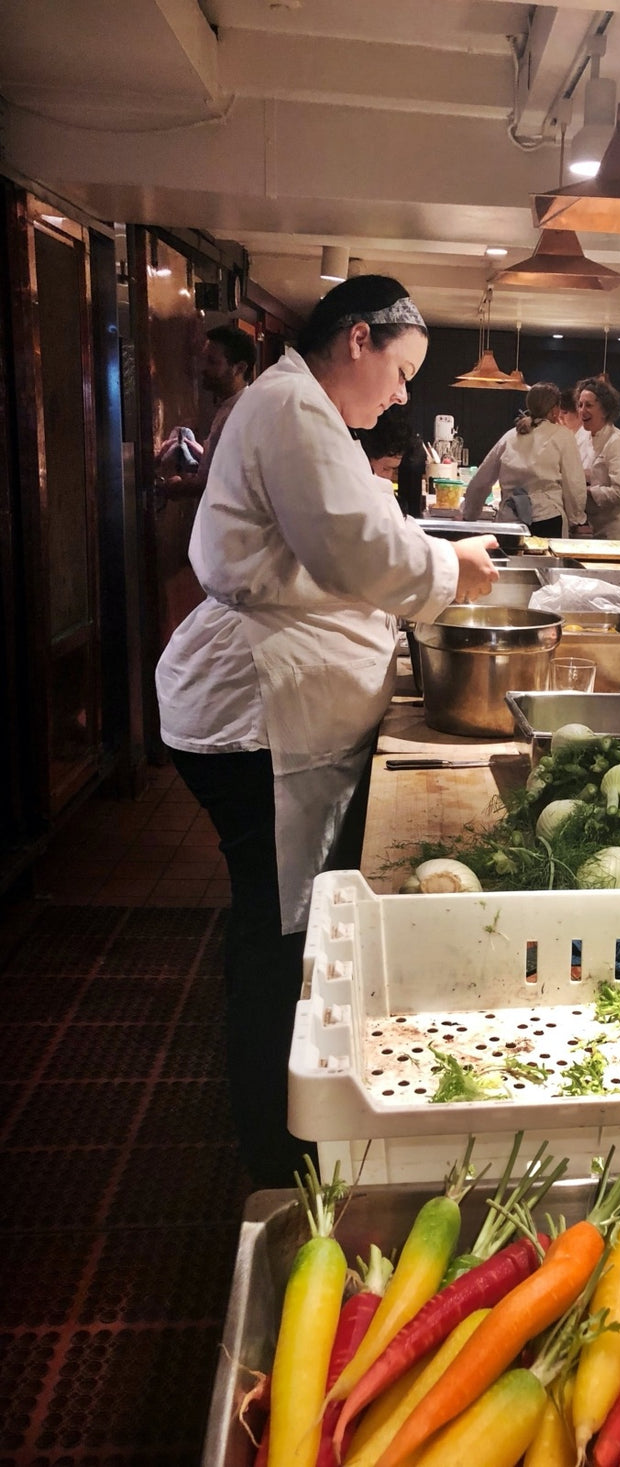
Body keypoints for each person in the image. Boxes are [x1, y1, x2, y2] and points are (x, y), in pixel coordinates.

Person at [155, 274, 498, 1186]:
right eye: (400, 370)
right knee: (273, 933)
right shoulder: (291, 409)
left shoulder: (308, 412)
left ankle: (284, 1120)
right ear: (357, 338)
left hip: (273, 707)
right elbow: (357, 546)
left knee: (281, 923)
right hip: (252, 713)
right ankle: (274, 1150)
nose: (401, 394)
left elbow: (364, 526)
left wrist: (429, 557)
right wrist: (447, 567)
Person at [460, 381, 587, 539]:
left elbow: (481, 480)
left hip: (510, 520)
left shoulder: (511, 436)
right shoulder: (563, 436)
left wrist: (469, 514)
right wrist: (576, 518)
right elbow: (574, 483)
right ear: (555, 410)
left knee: (510, 562)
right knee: (546, 563)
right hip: (547, 518)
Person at [160, 324, 257, 498]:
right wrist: (205, 457)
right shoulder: (234, 405)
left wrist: (173, 486)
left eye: (212, 362)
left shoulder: (239, 414)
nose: (203, 368)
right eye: (204, 360)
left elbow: (217, 485)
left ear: (239, 368)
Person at [575, 376, 620, 540]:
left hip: (617, 525)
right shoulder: (582, 435)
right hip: (594, 521)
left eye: (589, 405)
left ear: (605, 410)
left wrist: (587, 492)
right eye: (580, 405)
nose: (582, 410)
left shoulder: (617, 442)